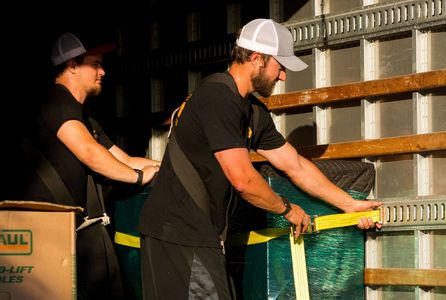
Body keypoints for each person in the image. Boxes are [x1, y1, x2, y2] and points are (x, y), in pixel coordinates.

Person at [138, 18, 382, 300]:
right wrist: (287, 210)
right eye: (280, 67)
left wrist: (350, 204)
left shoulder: (253, 112)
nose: (283, 77)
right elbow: (243, 180)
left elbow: (296, 166)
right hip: (177, 235)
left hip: (199, 236)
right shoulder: (218, 99)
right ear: (257, 59)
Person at [9, 32, 160, 300]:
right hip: (51, 235)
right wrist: (138, 179)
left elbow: (120, 158)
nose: (102, 71)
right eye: (95, 64)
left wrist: (163, 168)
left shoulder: (83, 116)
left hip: (78, 234)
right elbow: (90, 153)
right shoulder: (57, 103)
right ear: (72, 66)